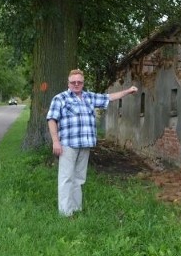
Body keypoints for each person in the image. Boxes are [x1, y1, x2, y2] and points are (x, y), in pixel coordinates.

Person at [46, 69, 138, 216]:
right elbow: (52, 119)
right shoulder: (60, 98)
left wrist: (127, 91)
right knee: (66, 179)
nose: (76, 84)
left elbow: (109, 97)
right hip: (68, 145)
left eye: (79, 82)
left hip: (84, 145)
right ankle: (65, 213)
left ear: (83, 83)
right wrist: (55, 141)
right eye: (73, 82)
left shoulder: (89, 97)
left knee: (79, 179)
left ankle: (76, 209)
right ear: (68, 83)